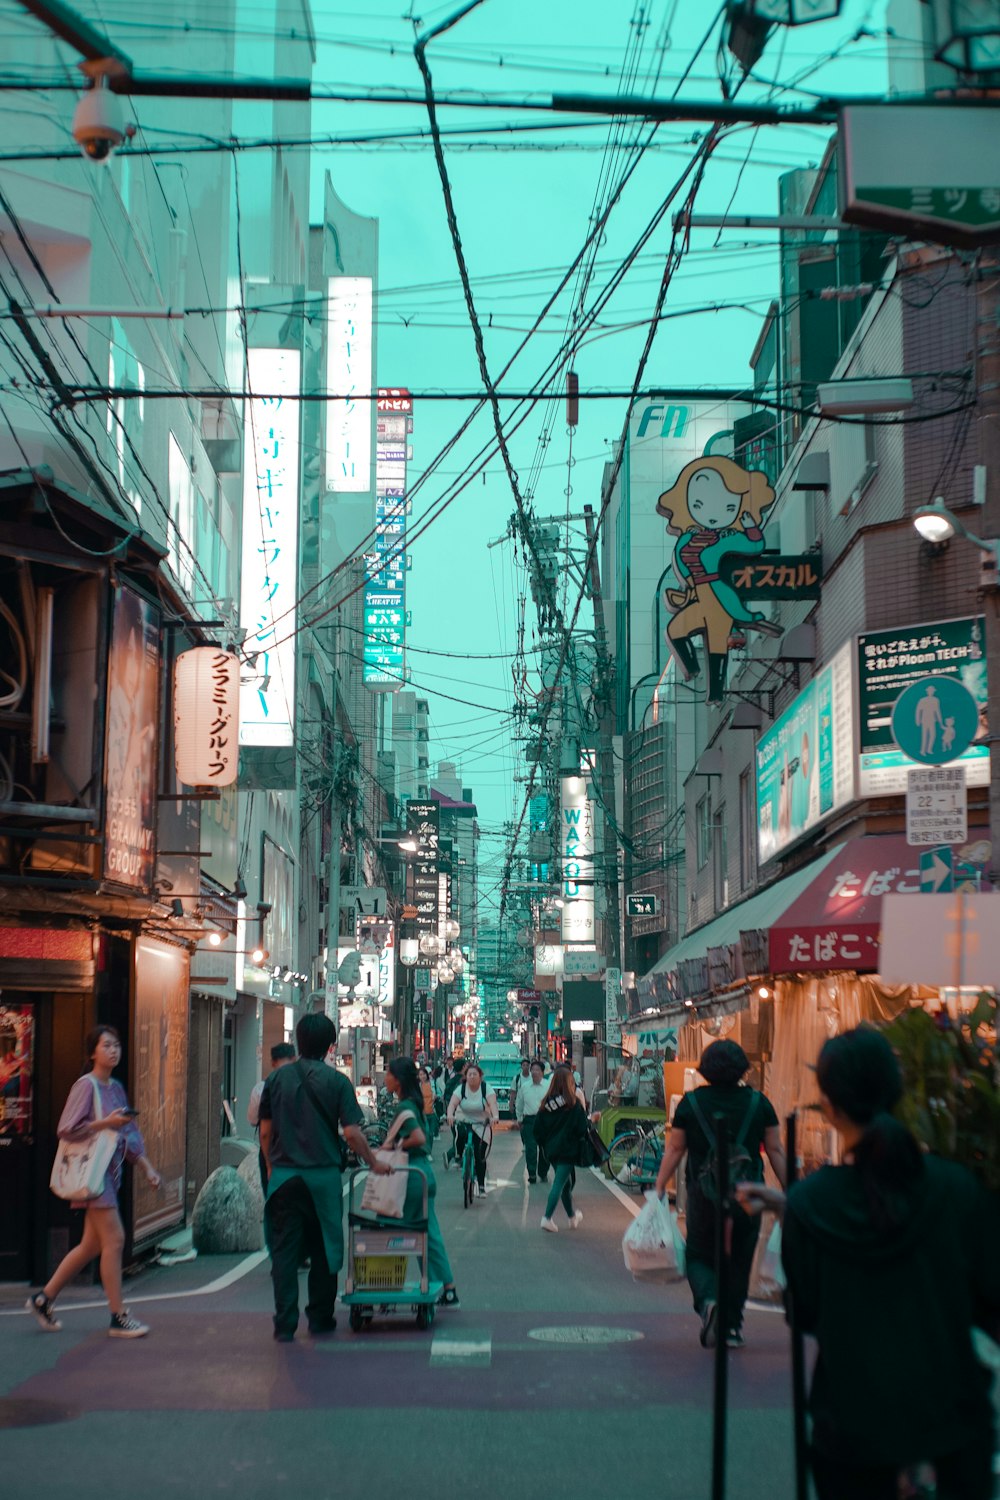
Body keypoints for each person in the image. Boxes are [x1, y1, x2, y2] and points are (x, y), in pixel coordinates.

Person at [739, 1026, 1000, 1500]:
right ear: (897, 1090)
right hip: (951, 1428)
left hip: (852, 1428)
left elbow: (806, 1313)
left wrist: (790, 1207)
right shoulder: (958, 1190)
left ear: (831, 1107)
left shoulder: (810, 1204)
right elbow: (989, 1301)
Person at [258, 1013, 389, 1343]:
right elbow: (352, 1134)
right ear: (331, 1046)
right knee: (325, 1249)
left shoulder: (276, 1080)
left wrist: (272, 1167)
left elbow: (265, 1132)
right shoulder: (337, 1083)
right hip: (323, 1180)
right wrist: (372, 1162)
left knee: (285, 1252)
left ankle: (284, 1323)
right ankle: (320, 1317)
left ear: (299, 1042)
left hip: (284, 1178)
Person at [26, 1025, 161, 1339]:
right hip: (94, 1174)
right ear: (92, 1052)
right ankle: (118, 1315)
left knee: (90, 1246)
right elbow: (67, 1128)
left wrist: (147, 1167)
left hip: (107, 1173)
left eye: (116, 1045)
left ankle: (43, 1299)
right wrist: (106, 1122)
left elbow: (129, 1134)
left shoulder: (115, 1087)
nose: (114, 1050)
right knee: (114, 1240)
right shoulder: (85, 1086)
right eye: (106, 1045)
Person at [654, 1039, 786, 1349]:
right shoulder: (759, 1103)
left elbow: (675, 1148)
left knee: (699, 1254)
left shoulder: (691, 1103)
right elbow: (777, 1149)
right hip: (748, 1196)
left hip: (704, 1196)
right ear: (743, 1068)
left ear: (706, 1069)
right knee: (740, 1259)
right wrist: (793, 1189)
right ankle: (732, 1328)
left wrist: (660, 1186)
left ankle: (710, 1303)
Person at [384, 1057, 459, 1308]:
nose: (385, 1078)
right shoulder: (413, 1103)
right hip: (421, 1174)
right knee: (426, 1232)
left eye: (388, 1073)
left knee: (391, 1229)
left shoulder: (404, 1106)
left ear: (398, 1079)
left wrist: (395, 1145)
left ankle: (387, 1287)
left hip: (411, 1175)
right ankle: (445, 1287)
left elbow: (416, 1137)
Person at [533, 1066, 589, 1232]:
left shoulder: (545, 1105)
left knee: (566, 1183)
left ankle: (572, 1217)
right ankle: (547, 1218)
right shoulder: (573, 1104)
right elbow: (582, 1128)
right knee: (559, 1183)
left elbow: (537, 1130)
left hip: (550, 1150)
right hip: (568, 1150)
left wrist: (544, 1145)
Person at [247, 1041, 297, 1194]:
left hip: (272, 1152)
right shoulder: (305, 1084)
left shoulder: (261, 1088)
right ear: (294, 1059)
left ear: (272, 1062)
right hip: (300, 1152)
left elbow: (254, 1122)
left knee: (273, 1200)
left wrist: (269, 1164)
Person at [445, 1062, 498, 1194]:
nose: (472, 1076)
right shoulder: (461, 1089)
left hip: (481, 1122)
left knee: (480, 1156)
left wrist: (495, 1116)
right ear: (466, 1076)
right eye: (470, 1074)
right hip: (464, 1119)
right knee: (459, 1132)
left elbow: (492, 1104)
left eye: (475, 1074)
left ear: (480, 1076)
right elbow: (452, 1104)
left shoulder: (486, 1088)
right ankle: (458, 1156)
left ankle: (480, 1185)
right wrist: (450, 1115)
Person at [515, 1058, 549, 1183]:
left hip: (545, 1120)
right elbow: (519, 1103)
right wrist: (519, 1119)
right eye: (533, 1070)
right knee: (531, 1148)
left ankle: (543, 1172)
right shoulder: (525, 1087)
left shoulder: (548, 1086)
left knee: (545, 1148)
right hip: (529, 1120)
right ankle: (532, 1173)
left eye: (537, 1070)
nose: (535, 1072)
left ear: (542, 1072)